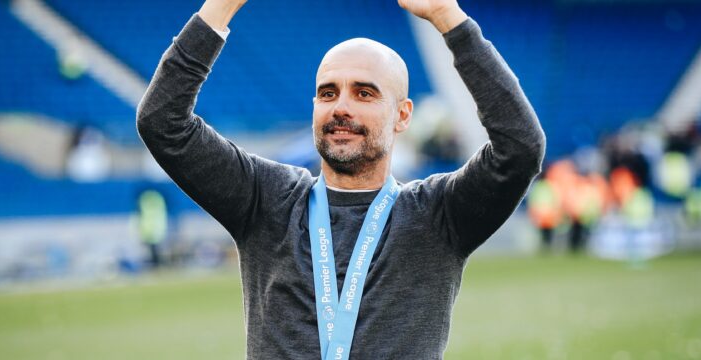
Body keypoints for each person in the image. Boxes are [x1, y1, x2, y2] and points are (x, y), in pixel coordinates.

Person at [137, 0, 545, 358]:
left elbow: (520, 148)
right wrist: (221, 7)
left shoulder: (437, 216)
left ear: (402, 115)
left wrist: (447, 17)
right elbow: (163, 122)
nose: (341, 108)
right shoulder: (265, 199)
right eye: (328, 93)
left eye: (364, 94)